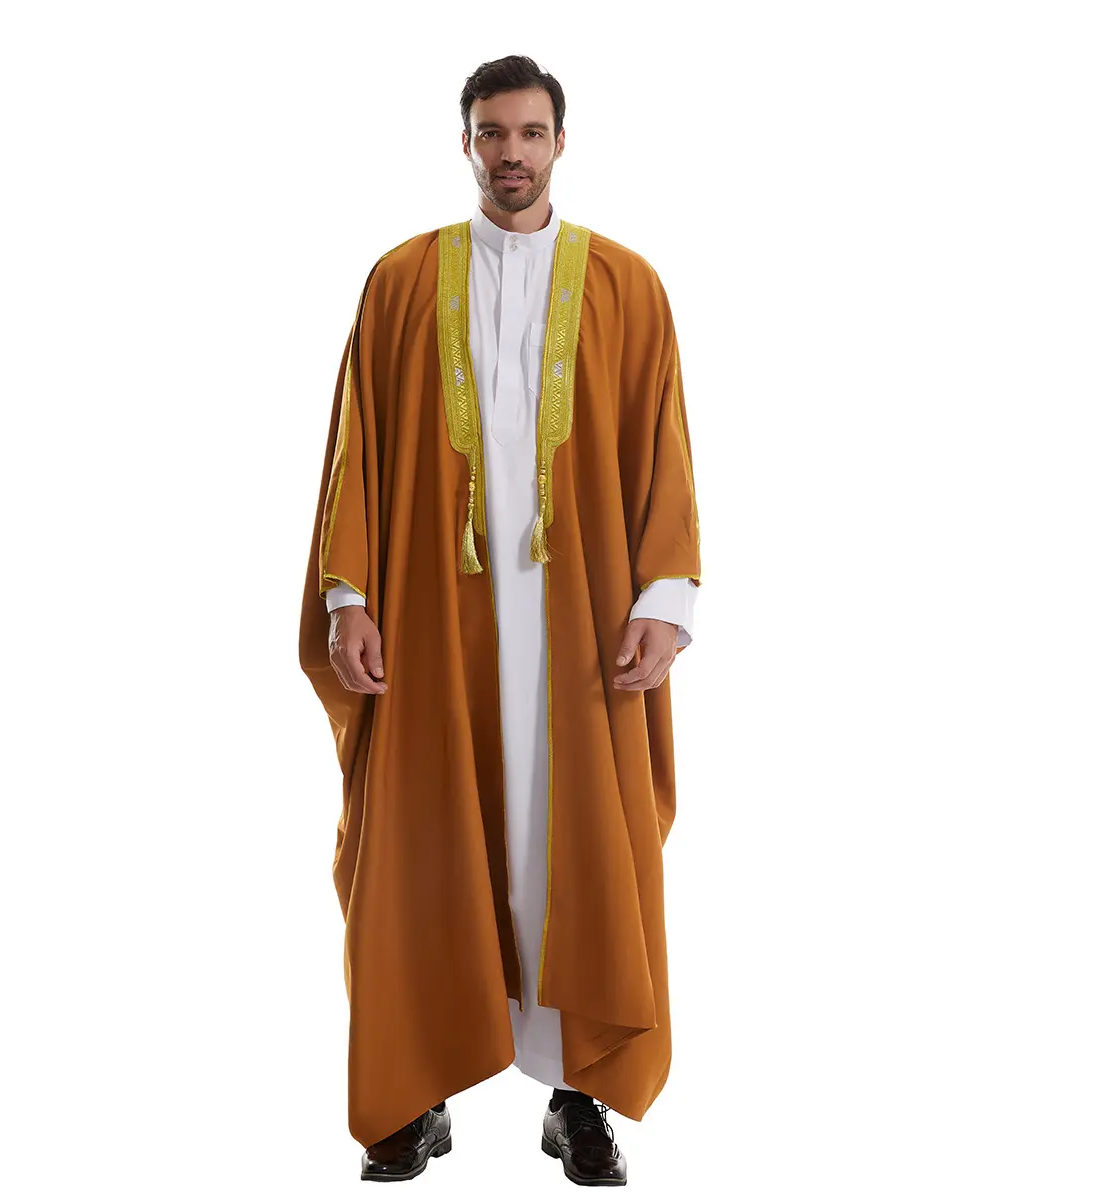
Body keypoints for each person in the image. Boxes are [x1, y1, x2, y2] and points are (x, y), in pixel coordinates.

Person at [298, 54, 702, 1185]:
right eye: (491, 133)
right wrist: (349, 597)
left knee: (578, 854)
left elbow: (663, 446)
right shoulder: (399, 282)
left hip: (581, 631)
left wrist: (664, 601)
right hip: (435, 624)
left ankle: (579, 1099)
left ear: (560, 142)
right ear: (466, 142)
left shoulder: (627, 286)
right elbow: (357, 447)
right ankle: (410, 1095)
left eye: (529, 133)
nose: (510, 153)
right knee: (422, 850)